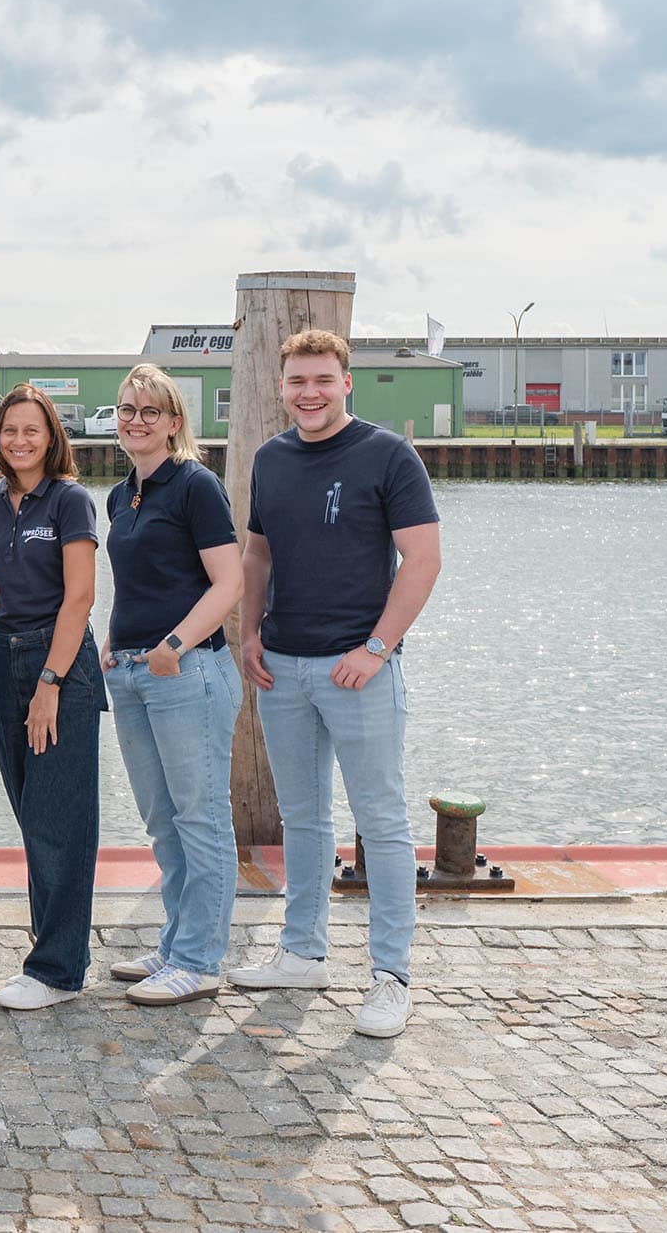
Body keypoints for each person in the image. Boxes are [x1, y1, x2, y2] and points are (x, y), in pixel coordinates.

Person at [227, 330, 443, 1039]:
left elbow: (422, 559)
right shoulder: (269, 459)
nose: (309, 392)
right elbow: (256, 554)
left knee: (380, 820)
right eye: (296, 380)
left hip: (359, 670)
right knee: (304, 816)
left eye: (322, 378)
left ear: (346, 381)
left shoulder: (388, 455)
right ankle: (303, 950)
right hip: (281, 667)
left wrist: (378, 647)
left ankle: (390, 975)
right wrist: (251, 631)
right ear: (282, 385)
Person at [99, 365, 244, 1006]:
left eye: (149, 411)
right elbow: (139, 583)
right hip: (130, 673)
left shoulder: (195, 487)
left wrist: (174, 647)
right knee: (163, 822)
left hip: (187, 672)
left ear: (175, 421)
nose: (134, 420)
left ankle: (200, 959)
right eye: (126, 409)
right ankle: (176, 941)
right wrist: (113, 641)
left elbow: (229, 583)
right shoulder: (119, 495)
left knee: (201, 817)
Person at [0, 383, 105, 1011]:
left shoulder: (72, 502)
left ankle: (57, 969)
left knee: (62, 820)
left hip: (60, 662)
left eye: (31, 430)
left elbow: (80, 597)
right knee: (33, 817)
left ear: (52, 437)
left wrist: (50, 684)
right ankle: (52, 947)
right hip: (3, 655)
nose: (19, 441)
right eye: (8, 431)